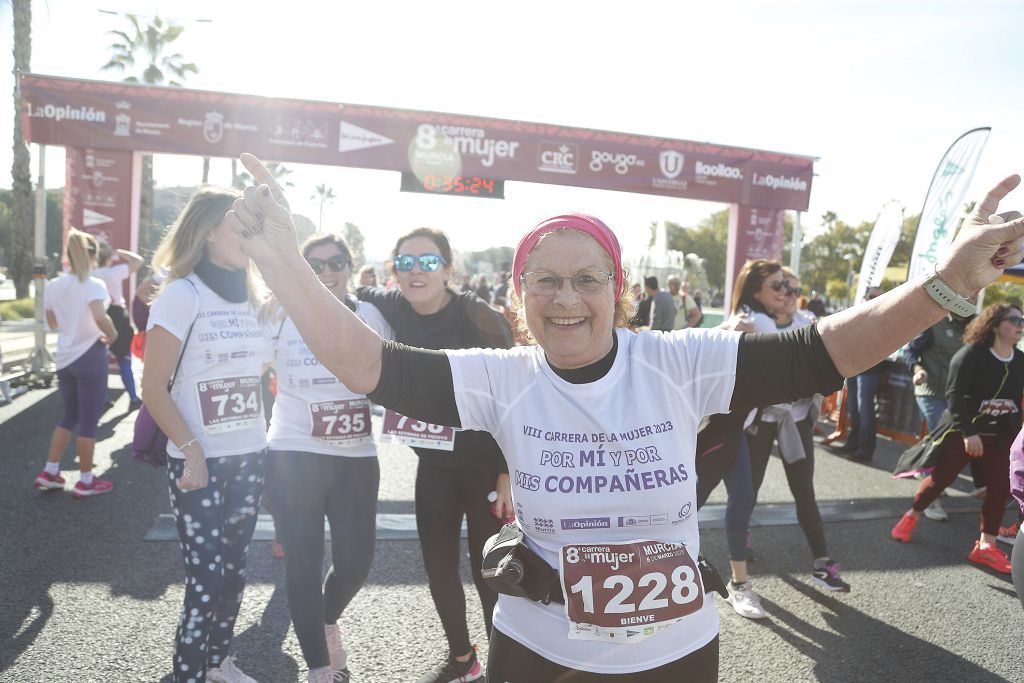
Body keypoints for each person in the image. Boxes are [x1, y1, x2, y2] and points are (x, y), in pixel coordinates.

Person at [229, 154, 1023, 681]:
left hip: (675, 652)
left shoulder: (680, 361)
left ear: (620, 290)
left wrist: (947, 282)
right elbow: (369, 365)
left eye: (587, 279)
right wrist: (283, 262)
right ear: (519, 294)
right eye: (544, 280)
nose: (566, 299)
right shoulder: (501, 377)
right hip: (537, 648)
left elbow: (826, 351)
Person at [355, 227, 514, 683]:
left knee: (491, 572)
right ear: (394, 271)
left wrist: (507, 472)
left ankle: (503, 666)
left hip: (484, 462)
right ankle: (463, 659)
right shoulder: (393, 304)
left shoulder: (474, 313)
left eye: (428, 262)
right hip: (434, 466)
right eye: (405, 263)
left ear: (447, 268)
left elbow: (514, 391)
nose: (416, 271)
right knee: (438, 566)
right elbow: (350, 290)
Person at [141, 187, 269, 683]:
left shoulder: (257, 298)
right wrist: (191, 451)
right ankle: (188, 674)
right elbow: (153, 388)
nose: (248, 236)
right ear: (209, 229)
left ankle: (219, 664)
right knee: (205, 576)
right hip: (198, 460)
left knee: (236, 570)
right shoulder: (181, 293)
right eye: (241, 225)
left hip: (250, 456)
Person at [263, 234, 393, 683]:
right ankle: (320, 668)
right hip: (295, 453)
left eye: (336, 262)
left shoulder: (370, 313)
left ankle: (326, 617)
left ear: (349, 266)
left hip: (356, 455)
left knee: (357, 562)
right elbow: (249, 371)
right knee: (303, 561)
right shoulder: (278, 311)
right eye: (315, 264)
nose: (327, 272)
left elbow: (398, 372)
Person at [891, 302, 1024, 574]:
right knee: (942, 479)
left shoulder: (1020, 360)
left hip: (999, 435)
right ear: (996, 324)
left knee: (999, 488)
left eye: (1023, 320)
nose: (1020, 325)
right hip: (963, 430)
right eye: (1014, 320)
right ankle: (911, 516)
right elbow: (953, 396)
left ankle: (985, 548)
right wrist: (969, 433)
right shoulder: (970, 355)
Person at [746, 268, 850, 592]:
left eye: (794, 288)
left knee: (804, 490)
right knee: (749, 487)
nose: (788, 294)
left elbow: (828, 367)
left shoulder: (809, 324)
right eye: (779, 287)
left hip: (796, 418)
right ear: (759, 293)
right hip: (760, 419)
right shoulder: (748, 322)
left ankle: (822, 563)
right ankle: (740, 546)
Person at [34, 228, 118, 497]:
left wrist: (71, 322)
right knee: (89, 420)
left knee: (69, 415)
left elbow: (52, 322)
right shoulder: (94, 285)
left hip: (65, 357)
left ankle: (50, 471)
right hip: (91, 355)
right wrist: (113, 334)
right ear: (92, 255)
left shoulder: (54, 285)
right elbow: (99, 316)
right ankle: (86, 480)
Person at [902, 311, 977, 521]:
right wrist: (917, 369)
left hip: (958, 396)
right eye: (966, 294)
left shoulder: (978, 324)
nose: (970, 298)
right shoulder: (934, 321)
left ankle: (933, 479)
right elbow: (909, 352)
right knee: (940, 438)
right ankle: (929, 498)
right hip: (930, 391)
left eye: (974, 296)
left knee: (951, 440)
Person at [830, 286, 887, 462]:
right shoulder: (857, 315)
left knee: (865, 409)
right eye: (871, 296)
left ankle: (865, 450)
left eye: (878, 297)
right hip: (854, 367)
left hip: (871, 369)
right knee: (853, 408)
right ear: (864, 298)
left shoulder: (885, 317)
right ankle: (852, 444)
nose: (874, 300)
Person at [93, 241, 145, 410]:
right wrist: (119, 250)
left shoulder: (90, 274)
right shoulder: (113, 272)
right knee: (124, 360)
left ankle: (101, 399)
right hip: (117, 315)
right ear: (109, 257)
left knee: (100, 360)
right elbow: (138, 261)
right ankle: (133, 397)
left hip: (96, 315)